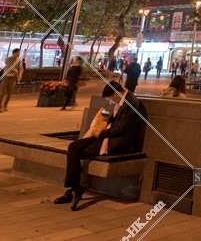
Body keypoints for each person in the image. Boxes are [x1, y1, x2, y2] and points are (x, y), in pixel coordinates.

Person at [54, 81, 147, 210]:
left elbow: (122, 129)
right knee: (73, 147)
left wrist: (101, 133)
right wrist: (106, 117)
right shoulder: (121, 100)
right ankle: (74, 188)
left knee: (79, 152)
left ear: (115, 93)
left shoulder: (131, 103)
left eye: (110, 98)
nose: (110, 101)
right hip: (108, 137)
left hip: (118, 142)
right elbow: (117, 121)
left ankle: (74, 190)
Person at [0, 48, 23, 112]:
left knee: (10, 94)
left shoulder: (19, 60)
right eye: (18, 53)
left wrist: (20, 75)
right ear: (14, 53)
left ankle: (5, 105)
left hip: (13, 78)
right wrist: (17, 73)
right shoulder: (8, 59)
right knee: (2, 93)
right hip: (5, 77)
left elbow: (21, 68)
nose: (19, 54)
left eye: (19, 53)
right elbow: (10, 68)